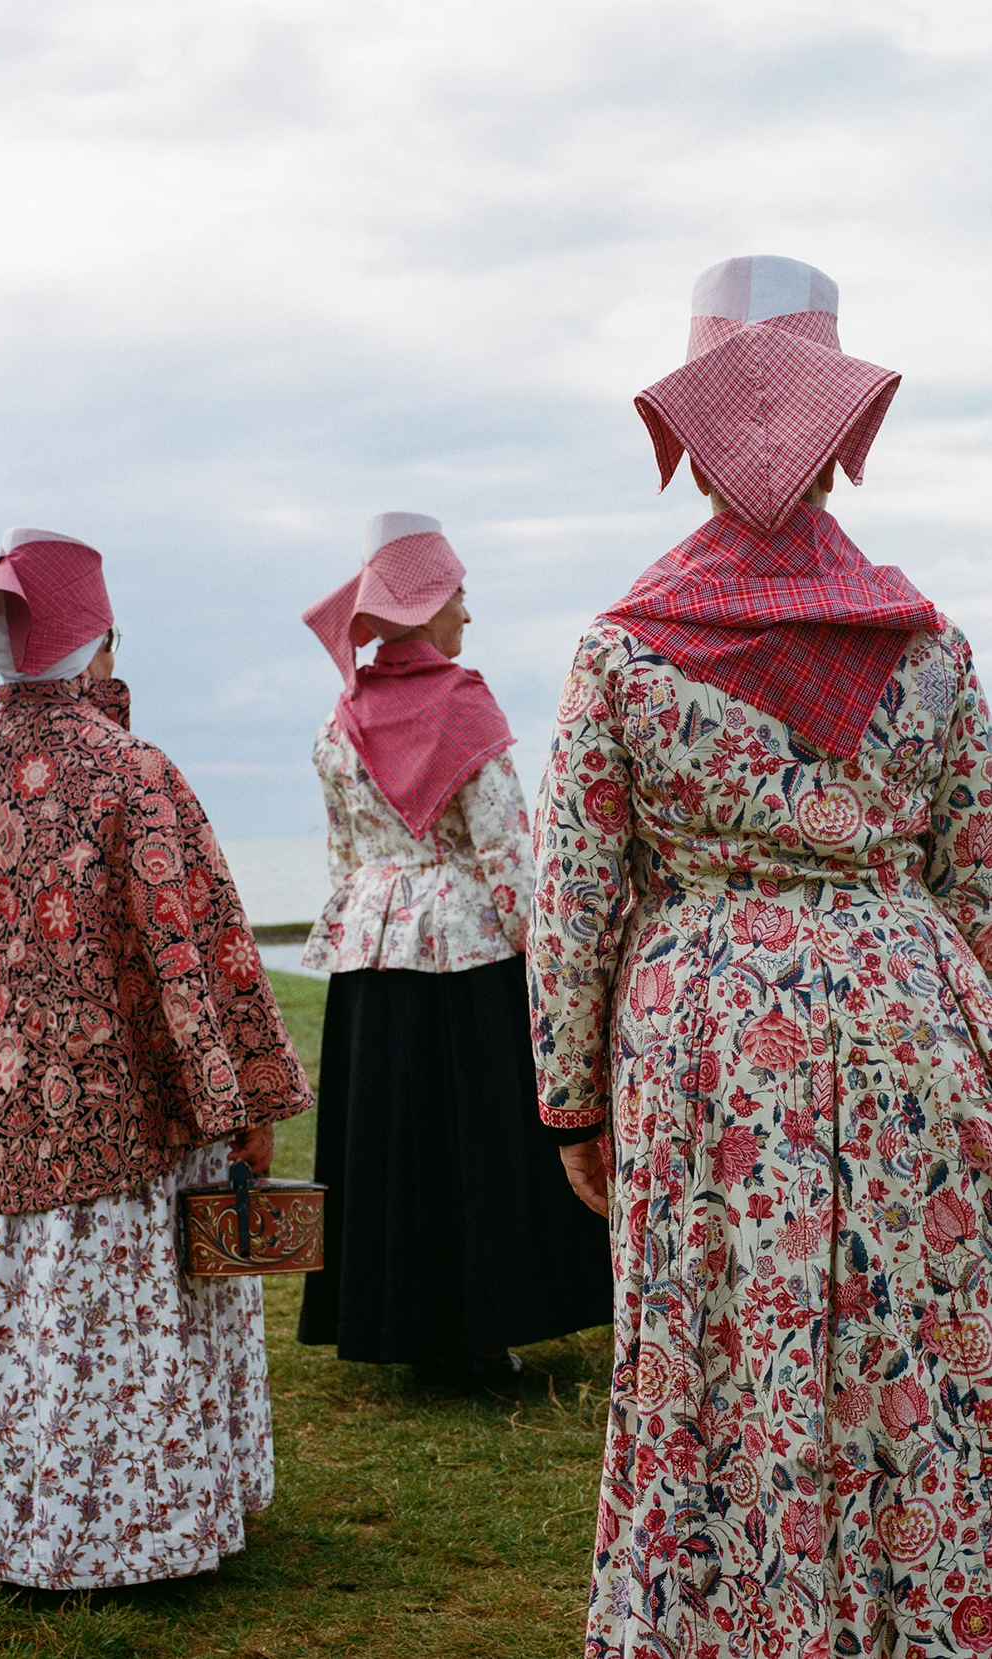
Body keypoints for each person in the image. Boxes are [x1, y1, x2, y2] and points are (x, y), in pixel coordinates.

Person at [529, 256, 992, 1657]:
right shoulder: (929, 647)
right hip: (914, 1022)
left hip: (707, 1038)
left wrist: (571, 1095)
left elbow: (575, 896)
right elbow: (974, 874)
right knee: (914, 1342)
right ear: (842, 433)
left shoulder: (624, 653)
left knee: (714, 1346)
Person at [0, 527, 312, 1590]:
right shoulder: (135, 778)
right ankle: (142, 1533)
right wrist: (242, 1098)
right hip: (122, 1136)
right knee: (106, 1333)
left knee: (13, 1330)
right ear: (96, 644)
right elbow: (199, 951)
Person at [297, 511, 612, 1382]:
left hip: (369, 959)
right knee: (473, 1142)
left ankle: (395, 1320)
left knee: (387, 1141)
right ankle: (480, 1324)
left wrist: (365, 922)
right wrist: (545, 957)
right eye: (459, 596)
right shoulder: (463, 706)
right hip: (466, 958)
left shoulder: (341, 721)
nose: (467, 616)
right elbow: (509, 854)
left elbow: (345, 854)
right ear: (429, 605)